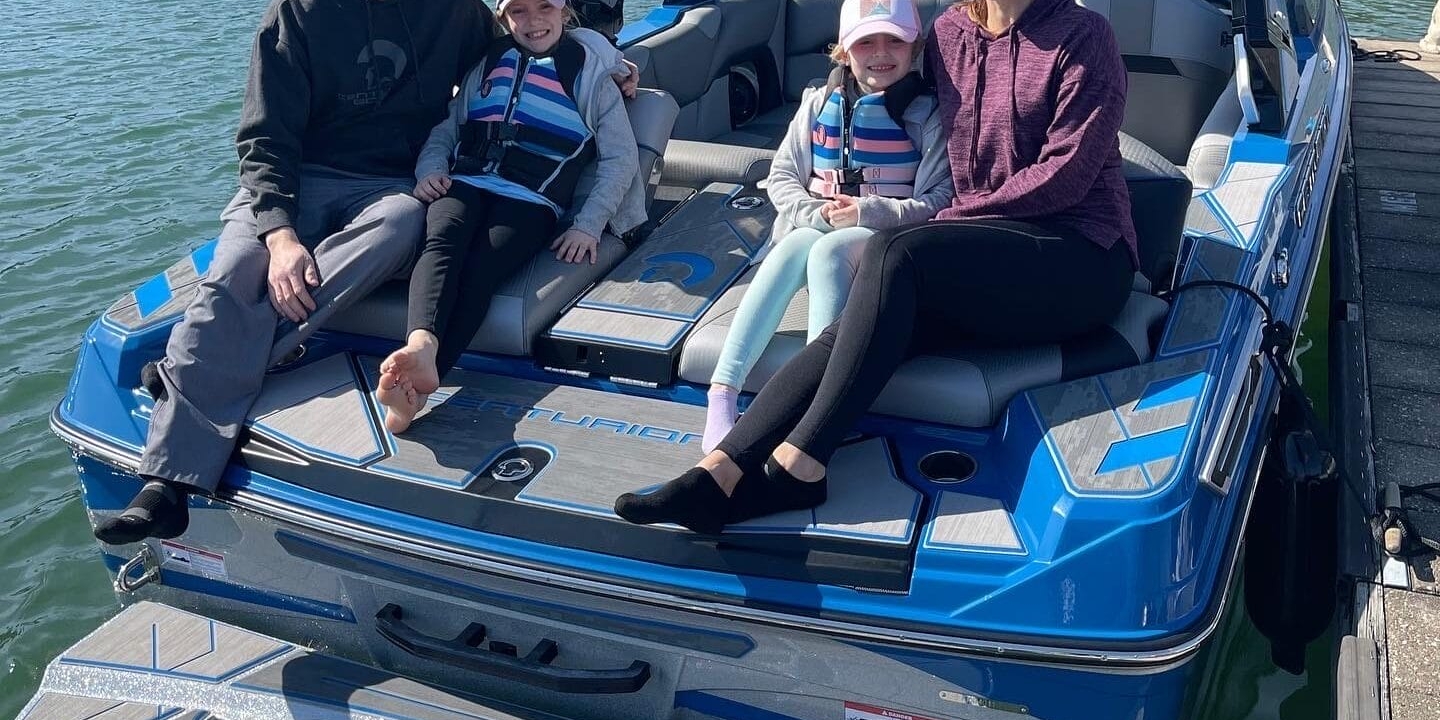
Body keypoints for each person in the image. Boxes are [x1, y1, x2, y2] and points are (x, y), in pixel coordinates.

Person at [95, 0, 636, 545]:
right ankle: (164, 487)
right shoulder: (297, 13)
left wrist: (604, 56)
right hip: (296, 180)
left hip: (387, 186)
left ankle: (194, 369)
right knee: (237, 267)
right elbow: (264, 138)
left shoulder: (454, 13)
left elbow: (522, 44)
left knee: (402, 223)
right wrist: (281, 236)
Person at [616, 0, 1137, 534]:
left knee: (896, 253)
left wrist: (940, 222)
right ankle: (718, 470)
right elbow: (885, 88)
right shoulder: (951, 32)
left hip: (1078, 254)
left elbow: (1066, 175)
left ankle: (802, 461)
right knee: (867, 315)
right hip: (978, 252)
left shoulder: (1083, 35)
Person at [375, 0, 643, 433]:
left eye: (544, 8)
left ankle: (417, 388)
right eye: (519, 11)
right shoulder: (488, 62)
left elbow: (620, 157)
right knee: (442, 239)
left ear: (564, 11)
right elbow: (448, 127)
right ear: (503, 18)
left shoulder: (592, 74)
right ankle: (420, 343)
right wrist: (431, 170)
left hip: (532, 199)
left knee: (483, 266)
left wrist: (588, 223)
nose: (534, 21)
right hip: (465, 181)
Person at [700, 0, 952, 453]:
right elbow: (780, 176)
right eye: (865, 42)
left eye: (894, 40)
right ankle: (723, 390)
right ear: (843, 52)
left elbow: (937, 201)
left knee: (828, 253)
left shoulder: (925, 115)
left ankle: (820, 401)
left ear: (915, 47)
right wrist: (812, 212)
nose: (880, 53)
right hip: (816, 221)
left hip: (881, 237)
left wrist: (866, 212)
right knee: (794, 246)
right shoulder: (818, 103)